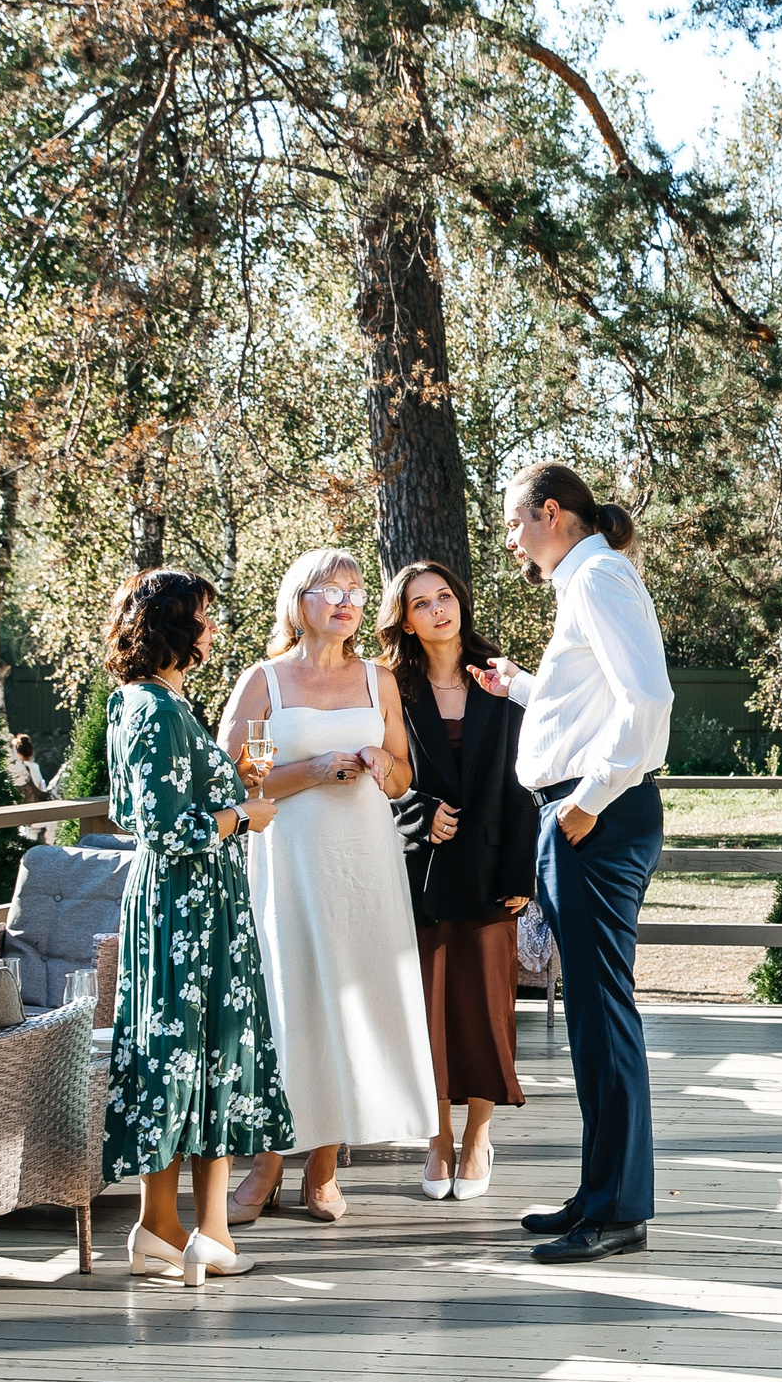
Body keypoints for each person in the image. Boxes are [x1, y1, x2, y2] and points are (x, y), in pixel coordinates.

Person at [483, 463, 671, 1264]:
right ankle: (599, 1193)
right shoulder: (588, 578)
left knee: (603, 1014)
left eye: (516, 524)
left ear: (550, 513)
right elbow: (592, 701)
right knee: (592, 1016)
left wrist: (587, 800)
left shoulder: (597, 575)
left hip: (596, 818)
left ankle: (618, 1208)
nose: (513, 542)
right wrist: (523, 687)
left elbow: (649, 700)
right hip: (578, 814)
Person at [218, 548, 437, 1223]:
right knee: (291, 1001)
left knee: (351, 1000)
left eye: (354, 590)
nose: (345, 601)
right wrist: (312, 769)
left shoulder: (380, 680)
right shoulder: (265, 681)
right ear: (298, 600)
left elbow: (402, 778)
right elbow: (233, 781)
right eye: (329, 589)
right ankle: (267, 1165)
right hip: (290, 858)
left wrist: (378, 761)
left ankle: (324, 1168)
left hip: (365, 863)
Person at [97, 568, 291, 1286]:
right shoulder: (156, 709)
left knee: (184, 1053)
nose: (212, 630)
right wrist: (244, 814)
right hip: (186, 906)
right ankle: (191, 1231)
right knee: (198, 1052)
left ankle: (163, 1228)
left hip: (189, 902)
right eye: (203, 618)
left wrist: (229, 783)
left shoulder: (147, 703)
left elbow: (137, 809)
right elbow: (159, 826)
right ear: (174, 626)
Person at [375, 561, 538, 1202]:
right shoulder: (391, 687)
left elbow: (530, 778)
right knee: (429, 1010)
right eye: (422, 603)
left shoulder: (501, 676)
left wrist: (522, 870)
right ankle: (437, 1138)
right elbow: (377, 770)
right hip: (419, 870)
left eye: (445, 597)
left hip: (494, 866)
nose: (440, 610)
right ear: (405, 620)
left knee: (488, 1009)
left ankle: (478, 1137)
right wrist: (415, 811)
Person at [8, 733, 49, 840]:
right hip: (36, 815)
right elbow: (41, 787)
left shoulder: (16, 771)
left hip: (21, 815)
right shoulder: (34, 767)